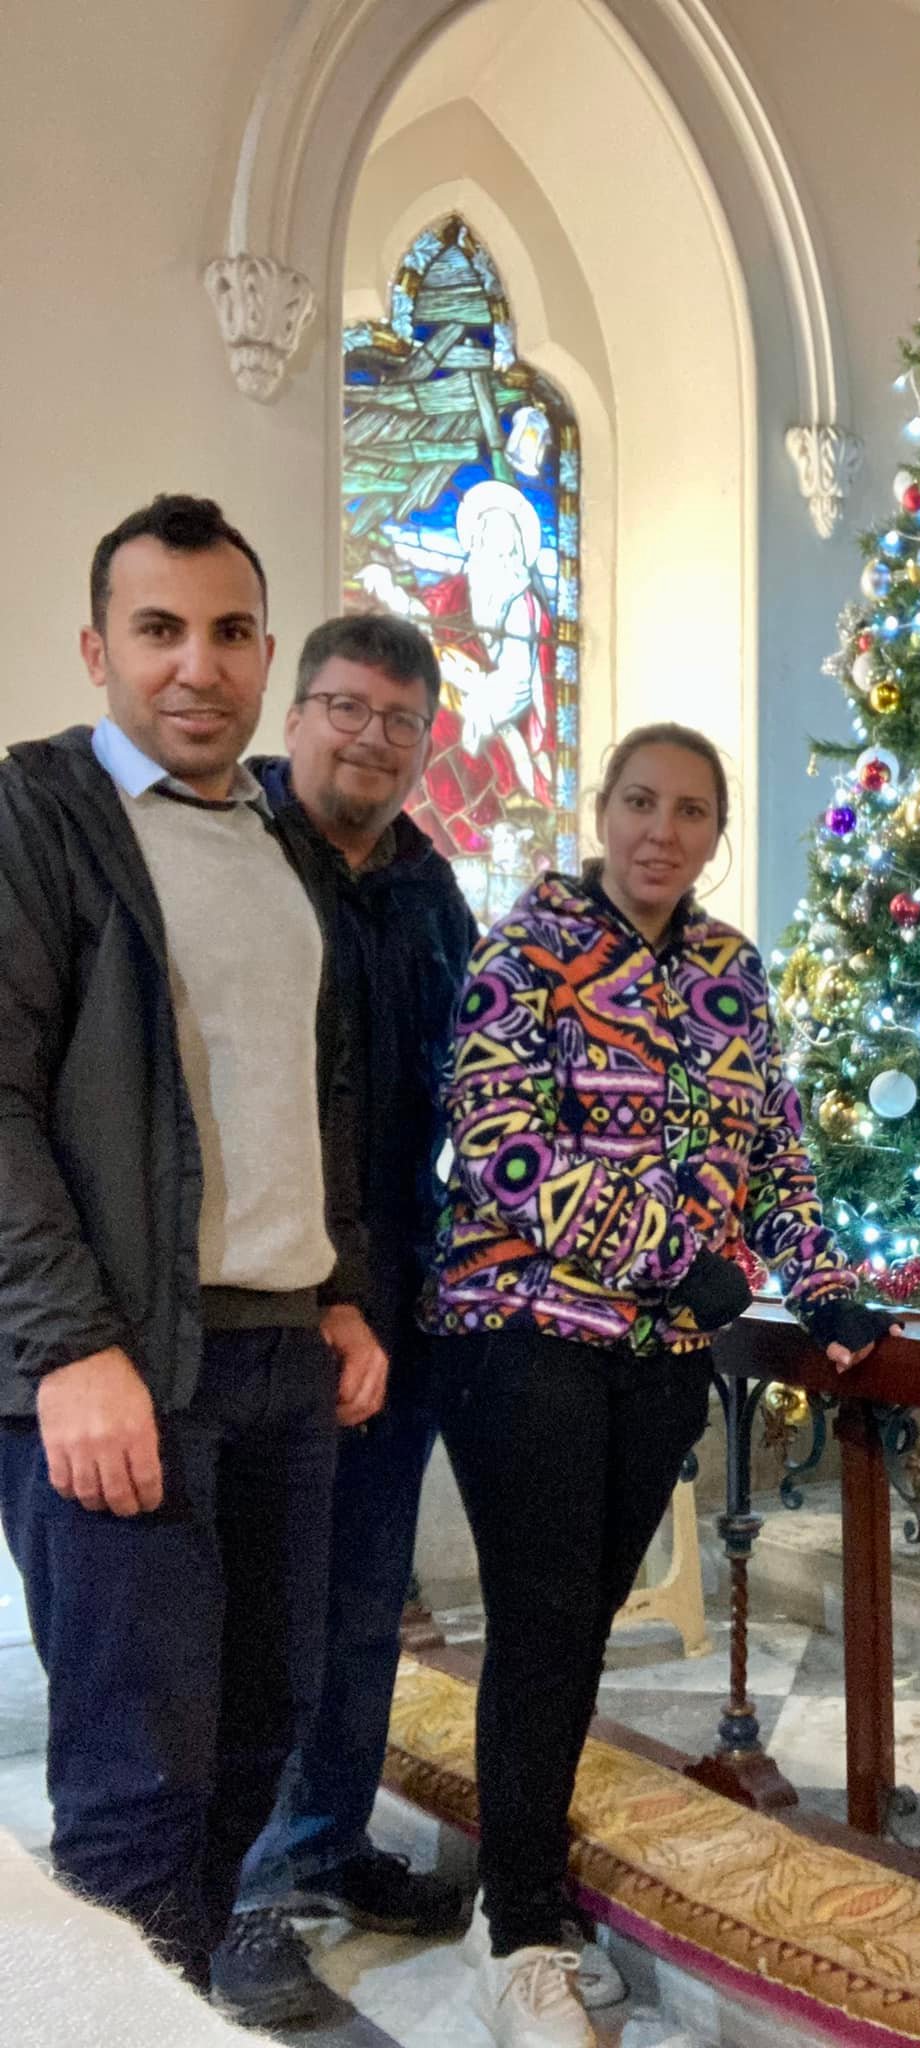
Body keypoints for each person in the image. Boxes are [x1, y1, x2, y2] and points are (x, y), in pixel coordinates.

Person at [424, 722, 896, 2048]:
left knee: (578, 1629)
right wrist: (674, 1257)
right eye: (639, 802)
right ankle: (518, 1935)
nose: (660, 832)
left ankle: (514, 1893)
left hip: (658, 1356)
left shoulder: (729, 969)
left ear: (714, 833)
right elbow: (500, 1142)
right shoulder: (526, 946)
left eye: (690, 812)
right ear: (600, 808)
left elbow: (774, 1148)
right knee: (543, 1623)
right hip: (518, 1331)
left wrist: (815, 1285)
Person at [0, 495, 388, 1996]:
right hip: (121, 1367)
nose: (196, 667)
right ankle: (119, 2012)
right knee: (134, 1781)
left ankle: (181, 1984)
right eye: (159, 630)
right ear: (99, 648)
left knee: (254, 1733)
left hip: (282, 1359)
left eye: (229, 633)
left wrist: (342, 1292)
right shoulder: (36, 817)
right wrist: (67, 1349)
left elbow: (320, 1090)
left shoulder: (284, 844)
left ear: (267, 655)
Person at [207, 614, 479, 2026]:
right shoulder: (229, 853)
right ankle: (245, 1893)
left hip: (406, 1306)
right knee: (264, 1609)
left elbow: (474, 1088)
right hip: (264, 1303)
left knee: (366, 1602)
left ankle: (328, 1846)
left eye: (397, 720)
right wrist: (319, 1292)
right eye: (344, 707)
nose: (368, 738)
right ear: (295, 713)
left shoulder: (433, 889)